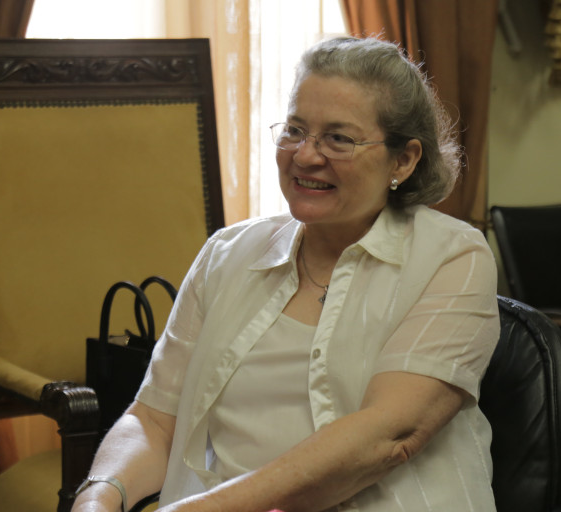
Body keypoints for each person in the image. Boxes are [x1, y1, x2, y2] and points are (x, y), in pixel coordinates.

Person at [71, 36, 499, 512]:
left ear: (404, 159)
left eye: (338, 138)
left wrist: (201, 510)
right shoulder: (226, 254)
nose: (306, 155)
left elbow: (387, 436)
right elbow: (153, 420)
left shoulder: (453, 256)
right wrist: (100, 495)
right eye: (295, 130)